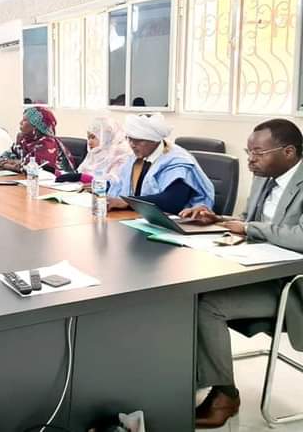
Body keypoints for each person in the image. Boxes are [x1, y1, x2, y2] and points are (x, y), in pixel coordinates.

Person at [178, 119, 303, 428]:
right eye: (249, 152)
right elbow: (247, 221)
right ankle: (191, 376)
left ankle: (225, 396)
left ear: (288, 152)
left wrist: (248, 228)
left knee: (208, 305)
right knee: (189, 291)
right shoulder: (264, 177)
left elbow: (298, 236)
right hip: (261, 271)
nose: (250, 159)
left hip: (292, 286)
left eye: (258, 152)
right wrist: (217, 219)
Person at [107, 114, 214, 213]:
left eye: (138, 141)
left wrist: (127, 202)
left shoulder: (177, 160)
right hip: (139, 216)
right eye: (129, 139)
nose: (132, 145)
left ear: (154, 140)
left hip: (174, 220)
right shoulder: (134, 157)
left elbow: (173, 201)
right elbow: (117, 185)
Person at [0, 106, 75, 176]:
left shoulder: (48, 144)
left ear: (36, 127)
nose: (20, 123)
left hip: (55, 184)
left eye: (25, 120)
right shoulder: (24, 140)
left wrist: (11, 165)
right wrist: (14, 164)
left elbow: (34, 170)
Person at [57, 117, 131, 185]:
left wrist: (83, 178)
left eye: (93, 137)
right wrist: (59, 174)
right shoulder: (95, 152)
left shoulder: (120, 154)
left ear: (106, 136)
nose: (89, 142)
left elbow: (113, 182)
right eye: (88, 138)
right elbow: (79, 172)